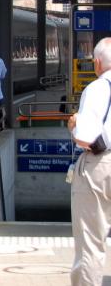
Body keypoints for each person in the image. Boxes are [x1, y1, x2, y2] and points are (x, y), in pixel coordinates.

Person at [68, 37, 111, 286]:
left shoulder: (96, 89)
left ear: (96, 63)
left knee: (91, 242)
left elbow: (85, 139)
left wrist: (74, 125)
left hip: (100, 166)